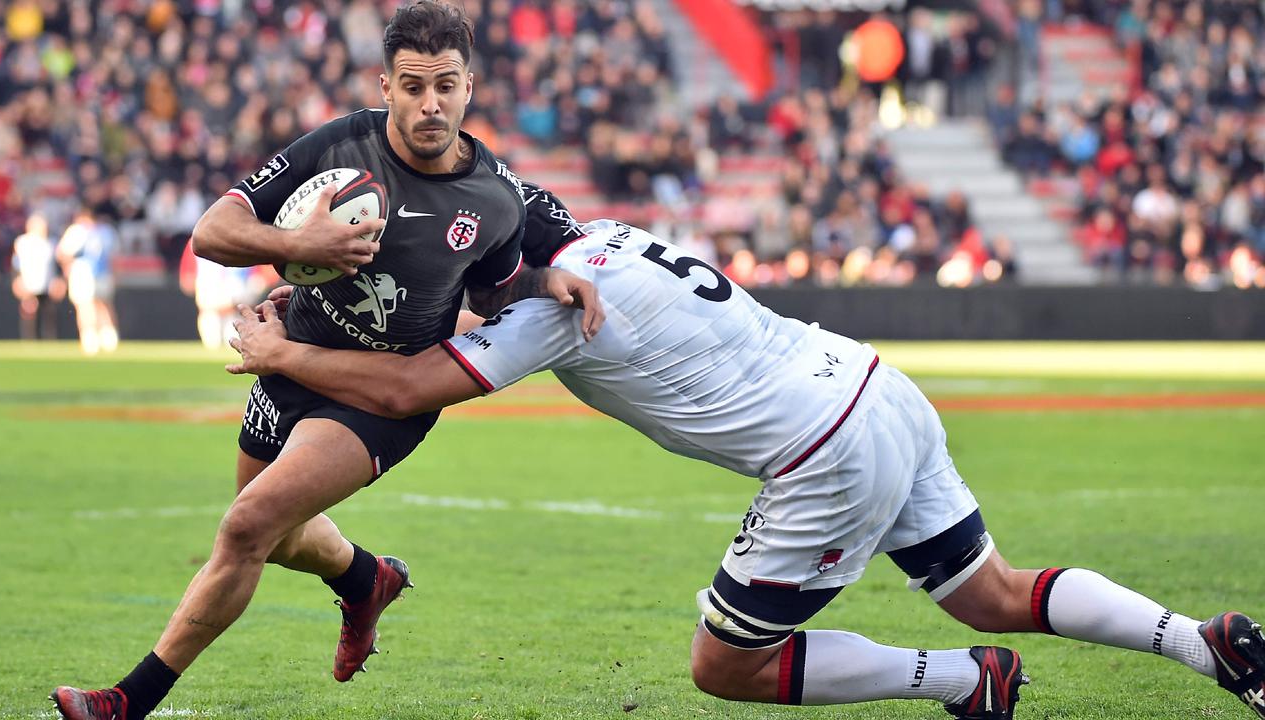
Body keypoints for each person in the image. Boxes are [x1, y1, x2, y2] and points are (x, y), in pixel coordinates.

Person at [225, 184, 1265, 720]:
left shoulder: (546, 310)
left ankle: (959, 683)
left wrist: (282, 352)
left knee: (724, 665)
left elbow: (409, 387)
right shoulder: (610, 238)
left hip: (822, 448)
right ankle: (1198, 642)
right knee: (988, 588)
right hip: (872, 385)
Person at [50, 4, 601, 720]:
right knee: (276, 540)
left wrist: (542, 280)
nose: (429, 103)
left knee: (248, 527)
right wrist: (301, 247)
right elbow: (213, 232)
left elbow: (492, 292)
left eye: (445, 85)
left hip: (375, 398)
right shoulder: (341, 146)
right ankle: (365, 578)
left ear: (470, 87)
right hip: (288, 363)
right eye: (411, 86)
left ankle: (129, 700)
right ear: (385, 86)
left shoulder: (494, 199)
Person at [56, 209, 119, 355]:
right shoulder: (106, 231)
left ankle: (92, 337)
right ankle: (107, 336)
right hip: (101, 273)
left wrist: (67, 269)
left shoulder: (77, 231)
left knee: (89, 306)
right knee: (101, 304)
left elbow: (62, 253)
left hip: (84, 273)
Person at [10, 212, 64, 341]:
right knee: (29, 311)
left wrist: (59, 280)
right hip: (29, 283)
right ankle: (30, 339)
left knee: (48, 312)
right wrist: (18, 280)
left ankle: (49, 338)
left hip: (47, 283)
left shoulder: (51, 242)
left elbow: (57, 264)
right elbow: (16, 264)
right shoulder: (22, 242)